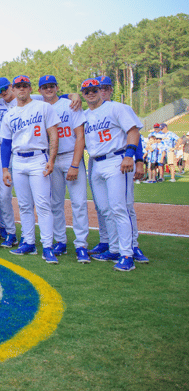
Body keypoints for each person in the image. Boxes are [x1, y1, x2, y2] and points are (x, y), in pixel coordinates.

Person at [79, 79, 147, 271]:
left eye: (94, 90)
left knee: (119, 208)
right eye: (86, 91)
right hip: (96, 163)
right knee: (105, 209)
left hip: (116, 160)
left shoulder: (116, 108)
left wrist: (130, 155)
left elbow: (133, 131)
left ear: (102, 91)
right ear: (83, 94)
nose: (91, 93)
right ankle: (115, 248)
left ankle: (128, 254)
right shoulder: (85, 115)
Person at [0, 75, 60, 264]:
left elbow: (53, 134)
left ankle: (48, 246)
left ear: (30, 88)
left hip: (38, 158)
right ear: (13, 89)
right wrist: (5, 168)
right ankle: (28, 242)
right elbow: (6, 144)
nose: (21, 89)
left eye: (25, 86)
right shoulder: (9, 114)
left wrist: (51, 159)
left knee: (43, 205)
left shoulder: (43, 107)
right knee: (24, 205)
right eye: (18, 86)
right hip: (18, 161)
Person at [39, 75, 90, 263]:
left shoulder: (70, 104)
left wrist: (75, 164)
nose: (48, 89)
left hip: (69, 155)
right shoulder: (39, 106)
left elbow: (80, 136)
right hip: (50, 158)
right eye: (44, 87)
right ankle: (60, 240)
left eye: (51, 86)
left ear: (57, 87)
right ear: (39, 90)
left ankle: (81, 244)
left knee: (78, 203)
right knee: (55, 204)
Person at [0, 78, 19, 247]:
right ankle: (8, 230)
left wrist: (73, 95)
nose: (4, 92)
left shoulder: (30, 99)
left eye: (5, 88)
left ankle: (12, 231)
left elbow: (53, 97)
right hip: (2, 151)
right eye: (0, 90)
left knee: (21, 197)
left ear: (11, 87)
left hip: (21, 151)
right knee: (2, 195)